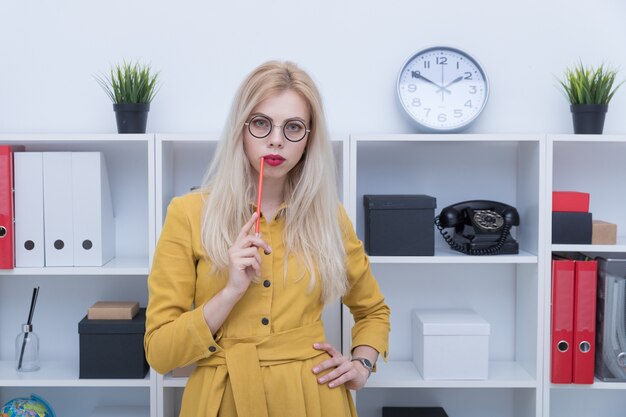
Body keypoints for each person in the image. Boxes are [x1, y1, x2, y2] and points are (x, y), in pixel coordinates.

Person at [144, 60, 390, 417]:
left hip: (313, 398)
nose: (276, 139)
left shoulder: (330, 217)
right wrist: (230, 292)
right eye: (261, 123)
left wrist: (362, 364)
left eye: (294, 127)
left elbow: (373, 311)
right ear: (240, 129)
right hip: (220, 399)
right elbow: (161, 354)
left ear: (308, 140)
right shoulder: (187, 214)